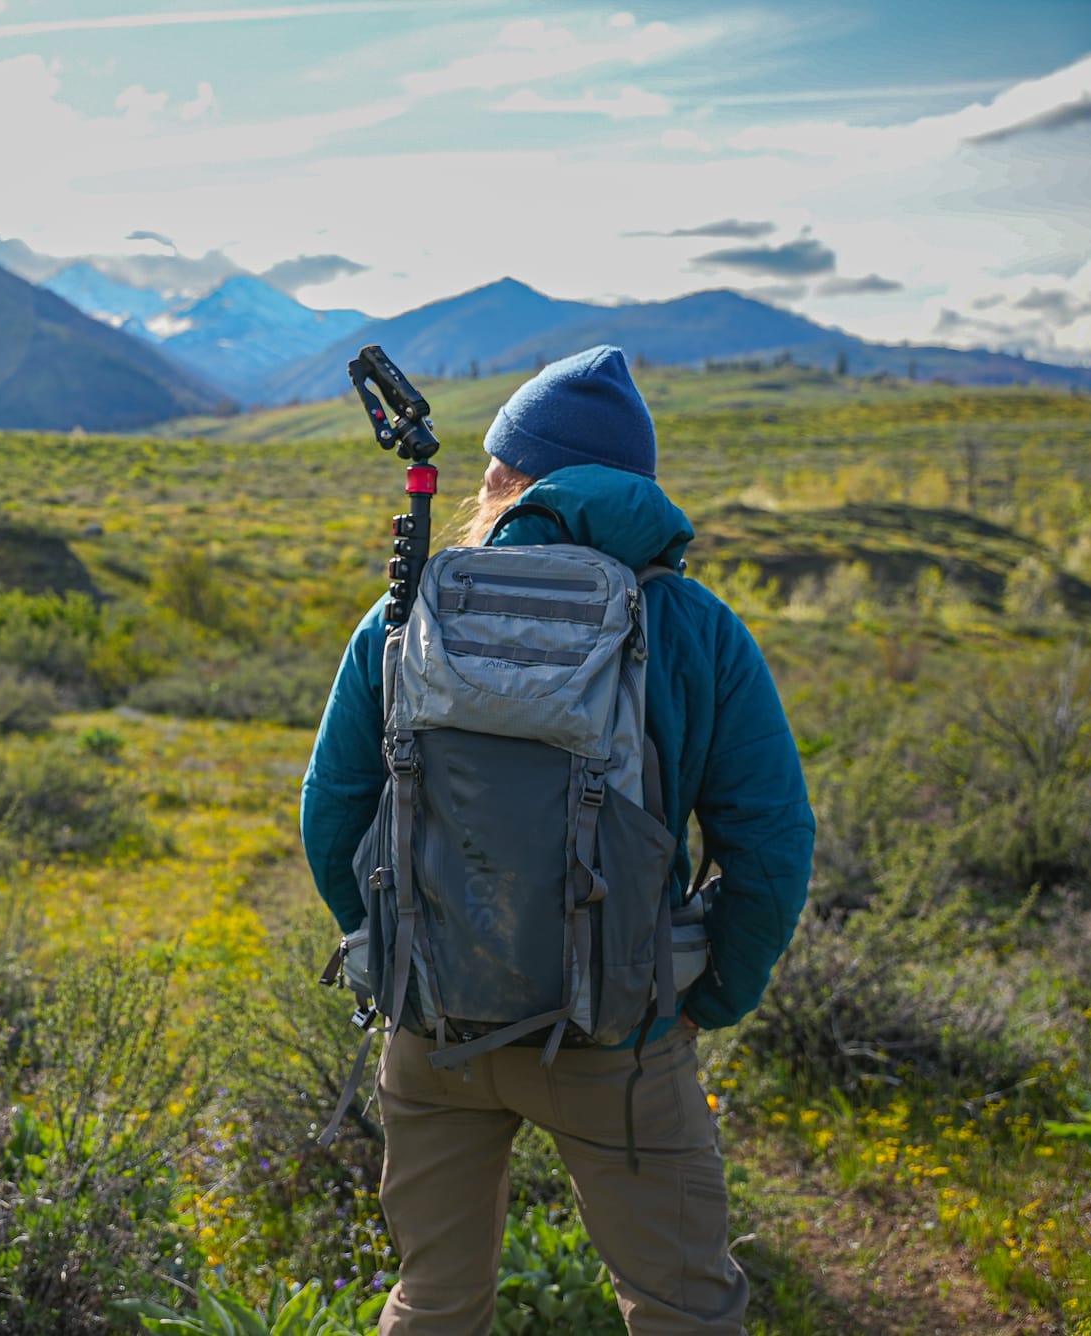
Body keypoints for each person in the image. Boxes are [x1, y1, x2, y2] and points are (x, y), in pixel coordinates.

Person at [299, 345, 816, 1335]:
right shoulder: (695, 626)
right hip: (619, 1030)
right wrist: (704, 994)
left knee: (433, 1302)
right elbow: (770, 845)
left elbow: (332, 812)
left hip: (431, 1025)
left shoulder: (405, 613)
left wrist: (396, 947)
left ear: (502, 480)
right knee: (681, 1306)